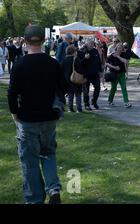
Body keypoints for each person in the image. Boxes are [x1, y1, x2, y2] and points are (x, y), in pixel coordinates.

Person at [8, 25, 68, 204]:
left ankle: (35, 199)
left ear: (25, 42)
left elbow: (12, 93)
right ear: (43, 41)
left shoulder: (20, 64)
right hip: (49, 117)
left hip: (28, 119)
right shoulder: (53, 63)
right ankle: (53, 188)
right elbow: (63, 87)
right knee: (48, 153)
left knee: (30, 160)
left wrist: (14, 113)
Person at [78, 40, 102, 110]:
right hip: (85, 75)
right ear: (86, 43)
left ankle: (94, 101)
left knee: (97, 88)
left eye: (92, 44)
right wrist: (85, 59)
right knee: (86, 91)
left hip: (95, 74)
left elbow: (98, 61)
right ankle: (86, 104)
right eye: (90, 43)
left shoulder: (95, 51)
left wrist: (100, 71)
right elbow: (79, 64)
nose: (91, 45)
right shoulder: (82, 51)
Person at [106, 43, 132, 108]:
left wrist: (118, 56)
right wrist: (114, 67)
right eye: (118, 47)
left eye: (121, 48)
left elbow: (126, 62)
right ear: (116, 48)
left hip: (122, 74)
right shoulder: (112, 55)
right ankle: (110, 100)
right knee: (113, 88)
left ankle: (126, 102)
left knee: (124, 88)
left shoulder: (123, 54)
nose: (120, 49)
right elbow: (107, 63)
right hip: (114, 74)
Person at [61, 45, 83, 113]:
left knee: (70, 94)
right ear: (73, 52)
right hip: (76, 79)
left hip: (68, 80)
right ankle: (79, 108)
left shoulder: (64, 60)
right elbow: (80, 69)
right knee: (78, 94)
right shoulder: (76, 59)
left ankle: (70, 108)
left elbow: (61, 70)